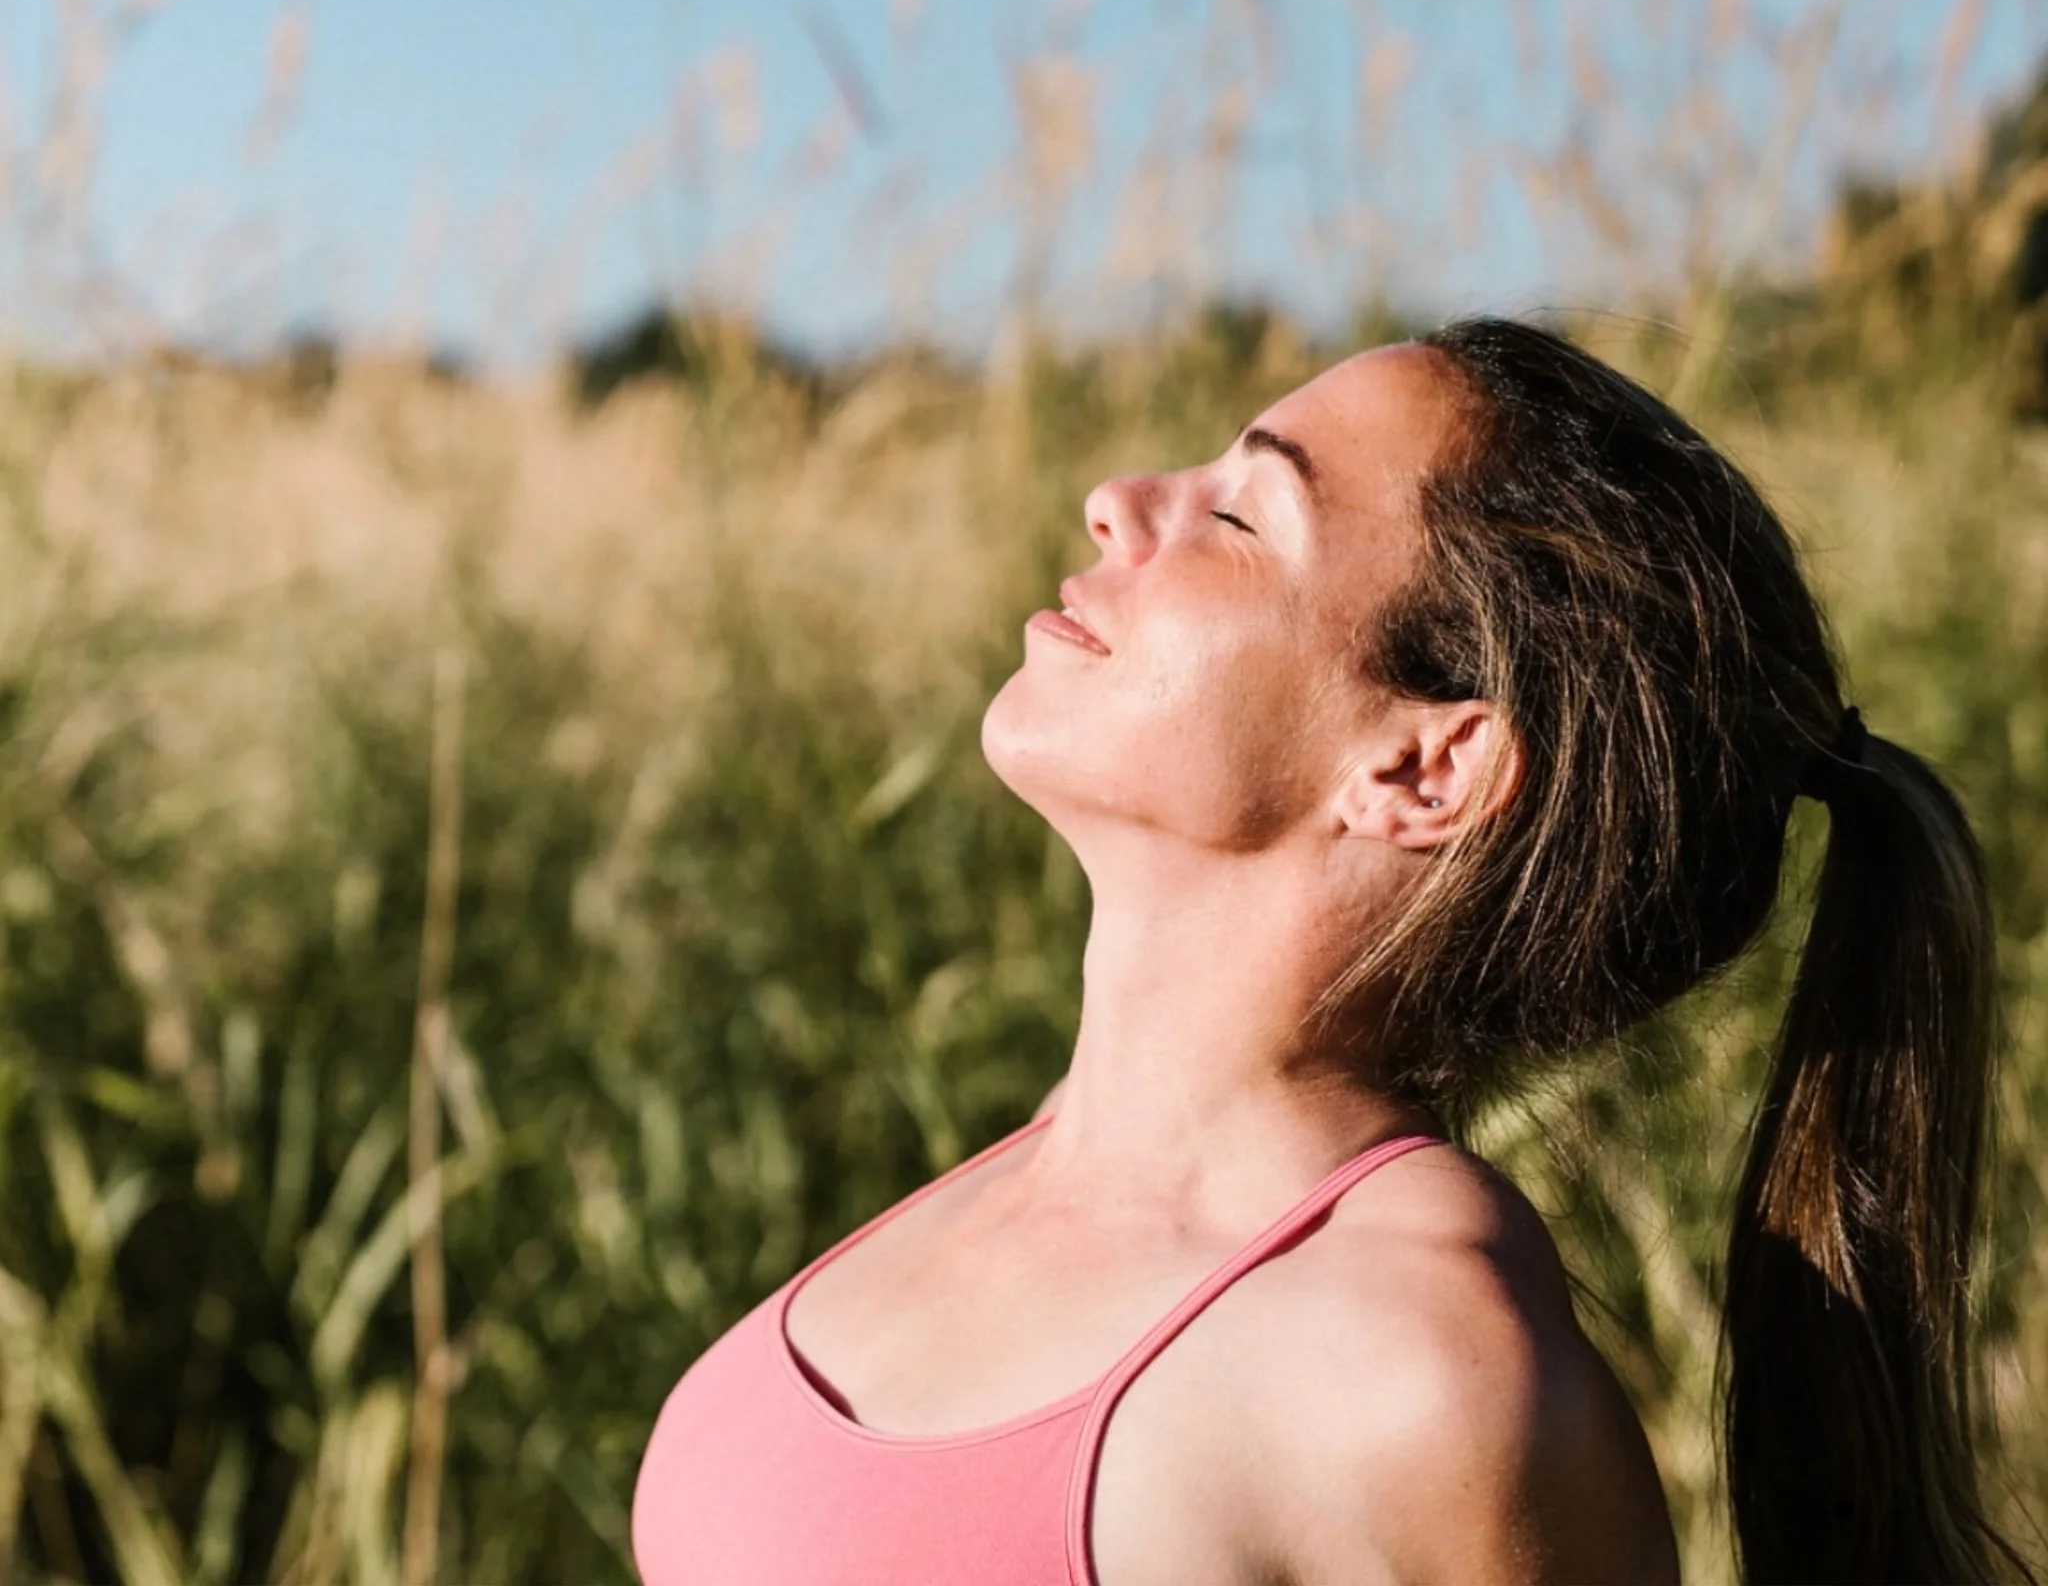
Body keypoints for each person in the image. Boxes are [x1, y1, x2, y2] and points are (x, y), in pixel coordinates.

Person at [632, 317, 2031, 1585]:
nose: (1119, 503)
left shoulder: (1420, 1371)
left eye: (1242, 514)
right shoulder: (1033, 1176)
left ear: (1425, 766)